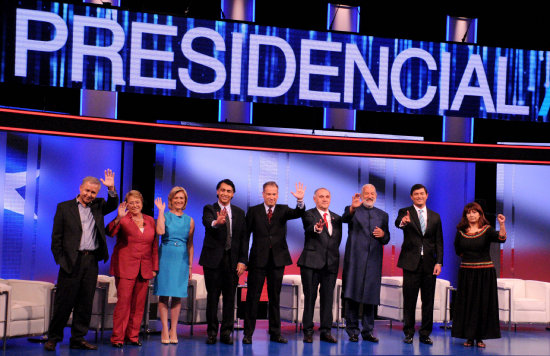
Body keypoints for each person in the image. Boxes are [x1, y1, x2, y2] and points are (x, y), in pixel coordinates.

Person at [44, 170, 118, 351]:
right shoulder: (64, 207)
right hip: (71, 261)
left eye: (93, 192)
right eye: (87, 191)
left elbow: (113, 203)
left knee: (85, 302)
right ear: (80, 188)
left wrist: (111, 188)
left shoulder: (98, 205)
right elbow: (56, 238)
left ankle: (78, 338)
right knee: (64, 303)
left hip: (91, 260)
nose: (89, 195)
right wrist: (61, 260)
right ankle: (54, 337)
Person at [243, 181, 306, 344]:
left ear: (277, 195)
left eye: (274, 194)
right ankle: (248, 334)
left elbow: (298, 213)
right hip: (257, 260)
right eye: (268, 194)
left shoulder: (283, 210)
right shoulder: (253, 211)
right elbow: (244, 237)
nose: (271, 197)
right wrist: (243, 260)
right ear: (263, 194)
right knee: (252, 297)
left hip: (278, 260)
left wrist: (300, 201)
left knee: (275, 297)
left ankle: (275, 333)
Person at [106, 190, 159, 348]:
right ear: (126, 204)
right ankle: (118, 338)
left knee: (139, 305)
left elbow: (154, 246)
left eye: (137, 202)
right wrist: (118, 218)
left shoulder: (150, 220)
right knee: (123, 303)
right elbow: (110, 232)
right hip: (125, 267)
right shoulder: (123, 218)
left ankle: (133, 336)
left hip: (145, 268)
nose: (134, 205)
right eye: (131, 203)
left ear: (142, 203)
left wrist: (154, 267)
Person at [200, 179, 248, 345]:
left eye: (228, 191)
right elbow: (207, 222)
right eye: (222, 190)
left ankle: (226, 333)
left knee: (230, 299)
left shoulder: (240, 213)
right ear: (217, 192)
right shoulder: (210, 209)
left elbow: (243, 239)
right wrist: (216, 222)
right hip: (212, 261)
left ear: (233, 194)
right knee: (212, 298)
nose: (225, 193)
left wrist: (243, 260)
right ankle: (212, 333)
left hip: (233, 262)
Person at [452, 202, 506, 348]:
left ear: (480, 214)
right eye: (469, 212)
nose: (472, 215)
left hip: (484, 273)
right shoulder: (461, 231)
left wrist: (501, 224)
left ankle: (480, 338)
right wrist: (470, 260)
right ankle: (469, 337)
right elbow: (458, 249)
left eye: (475, 212)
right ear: (466, 215)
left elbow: (501, 238)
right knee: (468, 304)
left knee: (482, 304)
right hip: (467, 273)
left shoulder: (487, 230)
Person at [395, 183, 443, 345]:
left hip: (430, 264)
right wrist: (403, 221)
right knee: (410, 300)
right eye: (416, 194)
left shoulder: (435, 216)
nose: (419, 196)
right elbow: (397, 223)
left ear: (427, 195)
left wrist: (439, 262)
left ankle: (425, 334)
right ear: (411, 196)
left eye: (421, 194)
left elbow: (439, 242)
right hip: (411, 263)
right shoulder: (405, 212)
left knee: (428, 301)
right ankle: (408, 333)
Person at [341, 184, 390, 343]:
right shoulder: (353, 210)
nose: (369, 196)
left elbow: (386, 238)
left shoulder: (383, 215)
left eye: (372, 193)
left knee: (371, 296)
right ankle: (352, 330)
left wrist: (383, 234)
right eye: (366, 193)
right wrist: (352, 208)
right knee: (352, 295)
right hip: (355, 260)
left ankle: (367, 331)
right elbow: (344, 219)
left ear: (376, 195)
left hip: (374, 261)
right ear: (361, 195)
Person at [298, 188, 343, 344]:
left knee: (327, 299)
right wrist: (317, 228)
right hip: (311, 263)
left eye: (327, 196)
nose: (325, 199)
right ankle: (308, 331)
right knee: (310, 297)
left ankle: (326, 331)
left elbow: (336, 241)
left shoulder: (337, 218)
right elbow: (309, 227)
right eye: (321, 197)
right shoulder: (309, 214)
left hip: (330, 265)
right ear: (315, 199)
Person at [153, 186, 194, 344]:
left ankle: (174, 329)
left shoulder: (189, 220)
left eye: (181, 198)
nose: (179, 201)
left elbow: (190, 245)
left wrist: (190, 266)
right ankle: (164, 328)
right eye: (176, 198)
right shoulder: (165, 216)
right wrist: (161, 212)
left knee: (177, 296)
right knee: (163, 295)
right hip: (166, 257)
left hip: (181, 258)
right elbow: (160, 232)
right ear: (171, 200)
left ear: (185, 201)